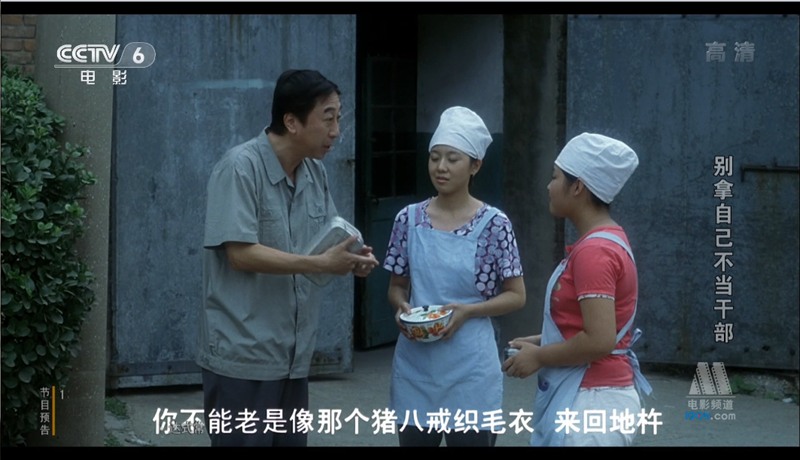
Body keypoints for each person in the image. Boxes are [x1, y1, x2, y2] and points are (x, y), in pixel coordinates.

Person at [197, 69, 379, 447]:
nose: (336, 131)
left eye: (338, 118)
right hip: (244, 356)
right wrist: (321, 264)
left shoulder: (314, 172)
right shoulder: (239, 167)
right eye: (327, 118)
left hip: (293, 356)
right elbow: (240, 254)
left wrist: (351, 257)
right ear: (292, 122)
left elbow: (327, 240)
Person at [383, 106, 527, 447]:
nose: (441, 167)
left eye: (452, 159)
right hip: (417, 365)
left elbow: (516, 295)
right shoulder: (408, 219)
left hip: (471, 366)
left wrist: (467, 311)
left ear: (475, 165)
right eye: (434, 158)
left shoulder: (495, 225)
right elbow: (396, 287)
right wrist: (402, 307)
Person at [502, 132, 653, 447]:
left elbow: (599, 340)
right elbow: (592, 328)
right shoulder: (602, 242)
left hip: (593, 402)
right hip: (589, 395)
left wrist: (540, 356)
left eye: (555, 177)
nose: (549, 186)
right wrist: (543, 340)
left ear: (577, 187)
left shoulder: (595, 252)